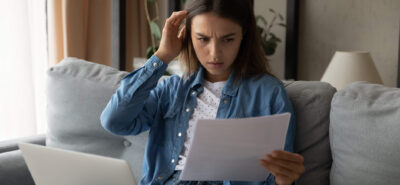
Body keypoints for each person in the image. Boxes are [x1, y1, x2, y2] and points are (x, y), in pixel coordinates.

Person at [100, 0, 305, 185]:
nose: (214, 52)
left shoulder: (268, 93)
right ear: (188, 37)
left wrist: (283, 180)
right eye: (203, 39)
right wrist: (162, 56)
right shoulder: (171, 90)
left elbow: (277, 172)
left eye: (228, 39)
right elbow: (114, 121)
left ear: (244, 36)